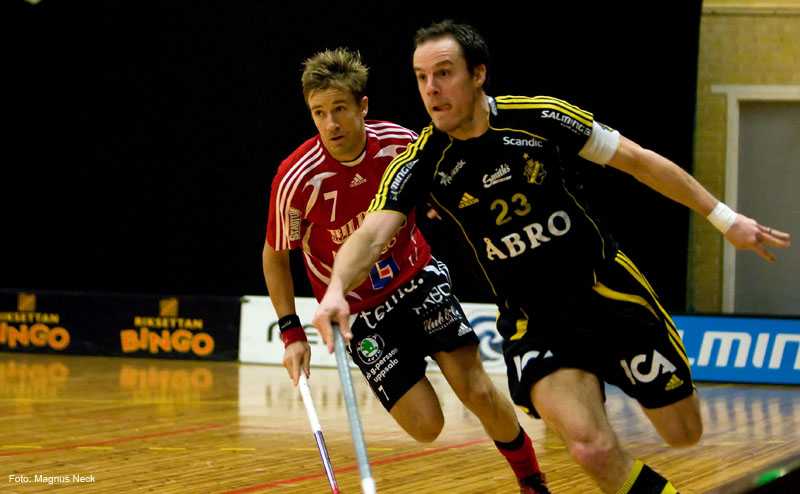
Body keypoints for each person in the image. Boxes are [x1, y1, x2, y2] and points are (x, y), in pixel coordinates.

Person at [311, 21, 792, 494]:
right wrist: (335, 290)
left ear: (478, 74)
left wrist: (725, 218)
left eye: (443, 73)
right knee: (590, 450)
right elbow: (370, 235)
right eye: (421, 78)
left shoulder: (541, 117)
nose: (431, 89)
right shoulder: (421, 161)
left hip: (606, 291)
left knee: (684, 432)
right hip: (536, 321)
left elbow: (638, 160)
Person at [263, 47, 550, 494]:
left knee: (475, 390)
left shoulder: (400, 145)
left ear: (362, 106)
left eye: (339, 109)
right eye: (319, 113)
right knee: (426, 425)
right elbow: (276, 254)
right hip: (359, 313)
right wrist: (291, 332)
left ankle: (531, 479)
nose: (331, 123)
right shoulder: (297, 179)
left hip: (416, 278)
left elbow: (442, 192)